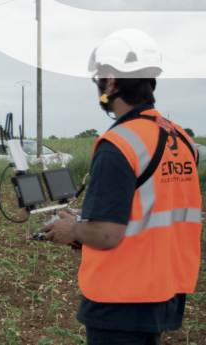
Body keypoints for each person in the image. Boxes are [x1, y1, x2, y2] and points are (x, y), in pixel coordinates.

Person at [40, 29, 201, 345]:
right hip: (163, 289)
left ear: (111, 82)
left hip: (120, 296)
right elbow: (151, 208)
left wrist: (72, 228)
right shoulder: (183, 140)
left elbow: (106, 233)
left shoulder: (119, 143)